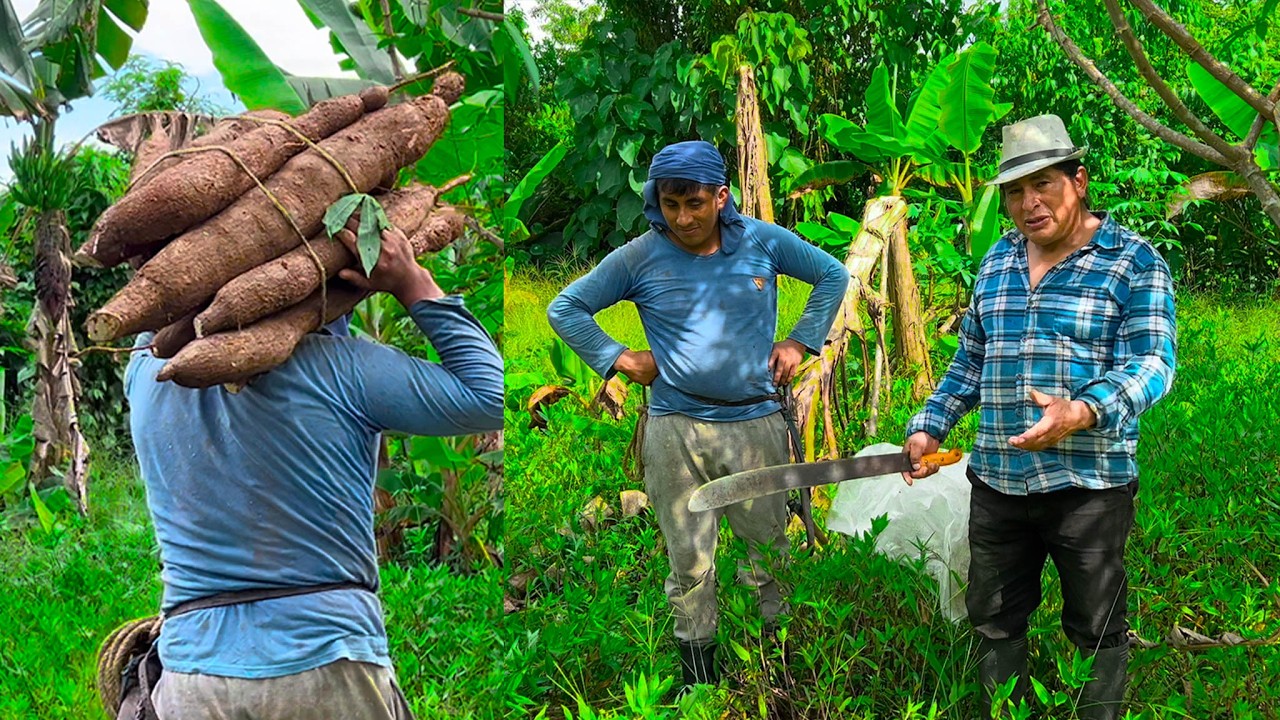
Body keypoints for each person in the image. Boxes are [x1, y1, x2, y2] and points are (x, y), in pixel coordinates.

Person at [124, 221, 504, 718]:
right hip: (329, 668)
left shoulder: (145, 373)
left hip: (193, 676)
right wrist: (412, 282)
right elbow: (491, 396)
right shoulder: (341, 369)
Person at [547, 140, 850, 691]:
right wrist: (618, 357)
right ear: (656, 201)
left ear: (721, 196)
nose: (682, 218)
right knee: (689, 564)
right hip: (675, 432)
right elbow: (565, 306)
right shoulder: (641, 255)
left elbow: (832, 274)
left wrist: (801, 341)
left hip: (756, 425)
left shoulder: (761, 241)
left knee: (769, 558)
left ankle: (776, 676)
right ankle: (699, 686)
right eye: (670, 204)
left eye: (694, 203)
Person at [902, 115, 1176, 720]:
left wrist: (1083, 410)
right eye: (1015, 191)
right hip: (997, 484)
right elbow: (969, 362)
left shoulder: (1132, 262)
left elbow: (1153, 363)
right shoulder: (998, 262)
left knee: (1096, 626)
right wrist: (931, 425)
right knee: (995, 619)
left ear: (1078, 181)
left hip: (1089, 488)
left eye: (1044, 184)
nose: (1029, 204)